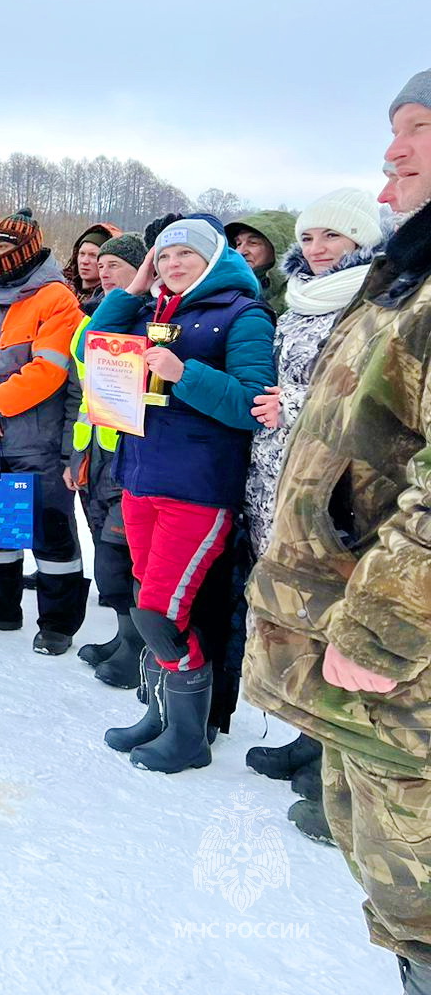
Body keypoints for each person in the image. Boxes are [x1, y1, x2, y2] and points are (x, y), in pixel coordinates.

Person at [244, 73, 431, 990]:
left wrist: (380, 627)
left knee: (423, 887)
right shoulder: (404, 285)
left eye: (420, 129)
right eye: (392, 130)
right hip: (360, 642)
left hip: (399, 651)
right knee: (389, 879)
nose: (393, 152)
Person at [81, 215, 274, 773]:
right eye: (163, 257)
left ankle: (190, 734)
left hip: (197, 486)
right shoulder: (150, 309)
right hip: (141, 477)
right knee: (148, 600)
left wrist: (181, 371)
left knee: (161, 611)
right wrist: (136, 286)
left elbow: (250, 406)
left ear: (214, 258)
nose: (173, 264)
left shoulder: (244, 313)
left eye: (186, 254)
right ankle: (160, 712)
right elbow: (95, 343)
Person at [239, 187, 384, 842]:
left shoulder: (372, 298)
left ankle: (342, 773)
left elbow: (370, 395)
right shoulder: (297, 299)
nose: (317, 247)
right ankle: (308, 735)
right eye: (310, 235)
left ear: (359, 240)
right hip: (277, 473)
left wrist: (291, 406)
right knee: (296, 615)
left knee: (334, 621)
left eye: (332, 236)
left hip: (334, 482)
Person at [0, 207, 86, 655]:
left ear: (27, 248)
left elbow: (49, 369)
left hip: (39, 442)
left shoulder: (57, 299)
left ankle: (58, 624)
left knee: (51, 536)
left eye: (3, 246)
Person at [64, 232, 147, 688]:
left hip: (131, 453)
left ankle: (139, 646)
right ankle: (123, 633)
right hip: (95, 448)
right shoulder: (94, 315)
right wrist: (77, 451)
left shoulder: (147, 317)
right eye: (103, 264)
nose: (104, 270)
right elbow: (82, 373)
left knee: (122, 555)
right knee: (104, 548)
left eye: (116, 264)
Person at [222, 210, 297, 316]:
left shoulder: (302, 295)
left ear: (280, 248)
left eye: (253, 243)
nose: (240, 252)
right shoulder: (227, 287)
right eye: (238, 243)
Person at [61, 222, 121, 312]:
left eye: (93, 255)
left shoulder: (111, 303)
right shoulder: (60, 289)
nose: (84, 261)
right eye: (82, 254)